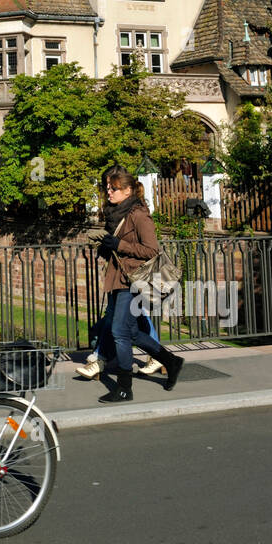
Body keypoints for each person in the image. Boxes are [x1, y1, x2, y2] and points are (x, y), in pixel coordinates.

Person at [94, 166, 184, 403]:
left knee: (120, 332)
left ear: (127, 190)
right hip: (119, 278)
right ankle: (171, 361)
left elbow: (151, 250)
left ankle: (124, 388)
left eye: (113, 188)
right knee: (131, 330)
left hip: (135, 280)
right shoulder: (116, 212)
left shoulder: (138, 214)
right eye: (107, 187)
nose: (109, 192)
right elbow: (119, 244)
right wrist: (107, 247)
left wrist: (119, 245)